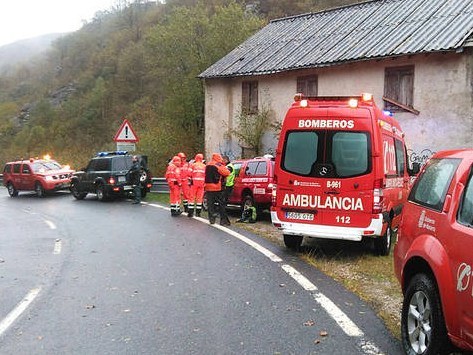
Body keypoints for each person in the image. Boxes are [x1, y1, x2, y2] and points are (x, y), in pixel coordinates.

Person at [204, 153, 230, 225]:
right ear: (218, 158)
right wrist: (224, 166)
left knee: (210, 204)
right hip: (217, 187)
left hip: (208, 187)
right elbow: (226, 173)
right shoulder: (218, 165)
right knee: (221, 203)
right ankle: (223, 220)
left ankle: (211, 219)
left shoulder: (208, 165)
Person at [187, 153, 206, 218]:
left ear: (196, 158)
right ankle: (198, 213)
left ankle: (190, 212)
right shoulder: (204, 166)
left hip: (194, 183)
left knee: (191, 197)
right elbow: (206, 175)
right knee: (199, 198)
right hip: (201, 184)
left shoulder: (193, 165)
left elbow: (189, 174)